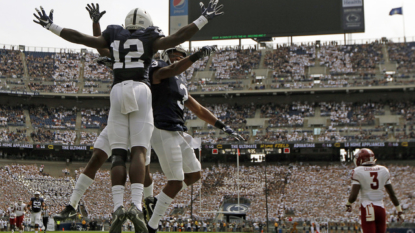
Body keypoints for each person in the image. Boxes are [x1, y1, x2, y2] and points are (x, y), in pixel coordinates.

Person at [34, 2, 224, 232]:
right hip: (139, 93)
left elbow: (82, 39)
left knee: (120, 155)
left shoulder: (116, 38)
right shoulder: (150, 43)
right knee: (138, 153)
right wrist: (203, 19)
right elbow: (177, 38)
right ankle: (132, 204)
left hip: (118, 93)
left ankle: (131, 203)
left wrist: (51, 26)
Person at [54, 3, 154, 222]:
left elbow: (109, 51)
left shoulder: (150, 58)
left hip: (133, 107)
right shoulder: (143, 46)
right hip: (131, 108)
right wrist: (96, 26)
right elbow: (107, 50)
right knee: (98, 157)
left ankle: (147, 203)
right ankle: (72, 204)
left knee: (142, 164)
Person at [143, 46, 243, 233]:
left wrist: (222, 126)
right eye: (176, 56)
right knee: (176, 181)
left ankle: (155, 201)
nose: (179, 58)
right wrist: (195, 56)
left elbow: (198, 109)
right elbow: (171, 70)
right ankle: (152, 226)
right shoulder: (158, 67)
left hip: (177, 130)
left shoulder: (179, 80)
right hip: (162, 127)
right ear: (166, 55)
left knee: (195, 174)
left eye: (182, 56)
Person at [346, 148, 404, 233]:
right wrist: (399, 210)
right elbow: (392, 194)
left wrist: (348, 204)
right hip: (380, 208)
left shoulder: (358, 171)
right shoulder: (383, 170)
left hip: (367, 207)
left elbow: (354, 195)